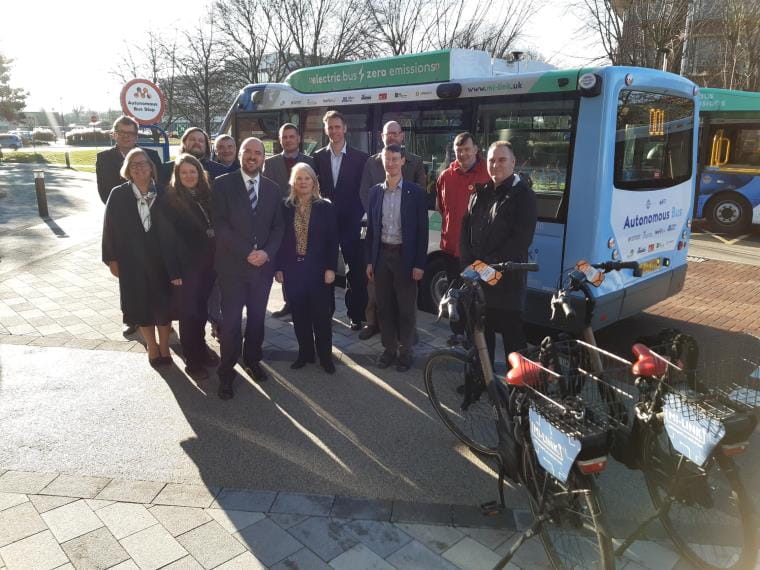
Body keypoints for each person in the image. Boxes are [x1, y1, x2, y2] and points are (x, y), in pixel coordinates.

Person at [212, 137, 284, 400]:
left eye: (258, 153)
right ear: (240, 155)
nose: (253, 156)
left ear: (264, 157)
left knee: (256, 321)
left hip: (261, 270)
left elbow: (278, 227)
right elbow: (220, 225)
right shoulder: (222, 185)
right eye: (248, 152)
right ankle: (227, 373)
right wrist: (247, 252)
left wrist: (266, 253)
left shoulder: (274, 189)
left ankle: (253, 361)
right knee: (230, 323)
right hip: (232, 269)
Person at [460, 141, 537, 365]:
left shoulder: (524, 196)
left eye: (502, 160)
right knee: (480, 337)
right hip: (478, 282)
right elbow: (464, 231)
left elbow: (520, 242)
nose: (496, 165)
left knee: (513, 341)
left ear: (513, 162)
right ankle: (481, 382)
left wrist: (483, 267)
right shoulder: (479, 193)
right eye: (492, 160)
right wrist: (467, 265)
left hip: (506, 282)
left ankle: (521, 393)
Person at [102, 148, 172, 367]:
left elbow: (176, 232)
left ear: (152, 167)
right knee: (141, 305)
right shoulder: (118, 194)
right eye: (134, 164)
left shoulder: (165, 193)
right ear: (127, 170)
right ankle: (151, 345)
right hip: (132, 262)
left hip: (162, 262)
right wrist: (111, 259)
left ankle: (164, 345)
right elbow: (109, 228)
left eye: (144, 163)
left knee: (163, 304)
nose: (140, 167)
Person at [358, 120, 427, 341]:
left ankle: (406, 342)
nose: (392, 137)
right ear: (382, 136)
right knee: (381, 300)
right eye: (388, 134)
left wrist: (418, 263)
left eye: (396, 133)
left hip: (403, 248)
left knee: (405, 303)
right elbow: (365, 194)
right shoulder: (372, 164)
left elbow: (420, 223)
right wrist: (374, 212)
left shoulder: (415, 165)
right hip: (380, 243)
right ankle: (382, 336)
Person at [96, 116, 163, 337]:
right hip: (125, 226)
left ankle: (160, 316)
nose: (126, 136)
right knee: (129, 279)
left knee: (155, 275)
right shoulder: (104, 158)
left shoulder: (150, 156)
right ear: (114, 133)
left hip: (152, 227)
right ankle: (131, 318)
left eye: (131, 133)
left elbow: (160, 187)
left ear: (136, 135)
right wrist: (129, 208)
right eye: (121, 132)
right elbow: (105, 193)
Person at [365, 145, 428, 372]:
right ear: (382, 161)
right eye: (386, 159)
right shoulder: (374, 193)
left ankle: (406, 351)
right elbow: (371, 230)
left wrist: (420, 264)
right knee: (384, 307)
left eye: (394, 159)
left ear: (403, 161)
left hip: (405, 257)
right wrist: (370, 261)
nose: (390, 163)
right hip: (382, 255)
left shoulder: (416, 193)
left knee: (406, 308)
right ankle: (389, 349)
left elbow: (423, 231)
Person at [159, 154, 219, 382]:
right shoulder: (170, 201)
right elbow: (166, 240)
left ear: (199, 173)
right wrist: (173, 272)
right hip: (184, 271)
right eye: (184, 172)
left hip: (208, 267)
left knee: (201, 312)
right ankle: (193, 362)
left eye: (192, 171)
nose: (189, 176)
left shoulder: (208, 195)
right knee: (188, 316)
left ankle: (201, 349)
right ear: (177, 175)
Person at [275, 163, 338, 374]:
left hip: (318, 270)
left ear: (314, 182)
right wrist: (279, 268)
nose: (303, 182)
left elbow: (332, 239)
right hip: (293, 270)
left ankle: (325, 358)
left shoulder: (325, 206)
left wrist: (331, 268)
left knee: (321, 316)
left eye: (307, 178)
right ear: (293, 182)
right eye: (299, 178)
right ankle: (305, 354)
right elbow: (280, 241)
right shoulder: (285, 207)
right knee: (299, 316)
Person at [312, 110, 369, 331]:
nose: (334, 131)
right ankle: (324, 312)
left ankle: (356, 315)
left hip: (350, 222)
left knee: (354, 269)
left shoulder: (360, 158)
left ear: (345, 128)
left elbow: (363, 191)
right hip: (325, 222)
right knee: (322, 267)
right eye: (330, 127)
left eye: (338, 126)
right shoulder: (317, 157)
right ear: (326, 130)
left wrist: (358, 216)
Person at [263, 123, 315, 319]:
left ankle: (307, 301)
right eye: (284, 137)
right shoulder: (271, 163)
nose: (288, 140)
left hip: (306, 216)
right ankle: (289, 302)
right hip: (282, 218)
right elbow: (267, 191)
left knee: (306, 258)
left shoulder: (311, 161)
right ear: (280, 140)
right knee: (286, 259)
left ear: (298, 139)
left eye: (292, 136)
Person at [436, 132, 490, 286]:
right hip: (451, 250)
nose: (462, 154)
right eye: (458, 150)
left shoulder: (489, 173)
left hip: (480, 254)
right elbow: (441, 208)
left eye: (467, 149)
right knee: (455, 294)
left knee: (483, 297)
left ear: (475, 149)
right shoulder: (445, 176)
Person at [161, 128, 227, 186]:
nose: (196, 143)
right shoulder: (167, 169)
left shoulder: (220, 171)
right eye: (192, 139)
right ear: (184, 143)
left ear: (206, 146)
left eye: (201, 141)